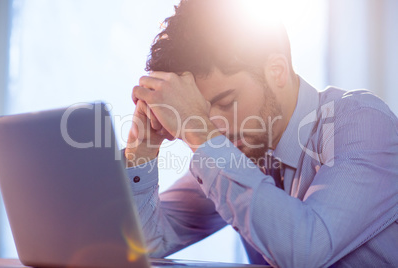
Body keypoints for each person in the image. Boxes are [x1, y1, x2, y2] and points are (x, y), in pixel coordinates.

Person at [124, 0, 398, 267]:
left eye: (226, 102)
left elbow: (303, 251)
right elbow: (143, 244)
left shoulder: (364, 122)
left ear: (276, 72)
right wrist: (142, 147)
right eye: (200, 112)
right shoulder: (239, 150)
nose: (214, 125)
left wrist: (197, 130)